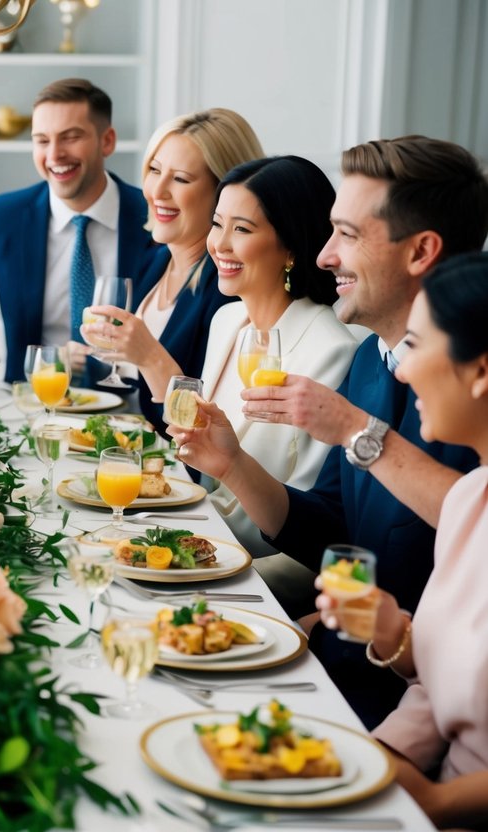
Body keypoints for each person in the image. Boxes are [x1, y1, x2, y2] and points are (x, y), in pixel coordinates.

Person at [169, 136, 488, 728]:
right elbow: (333, 535)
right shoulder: (372, 361)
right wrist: (232, 463)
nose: (323, 256)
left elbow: (472, 526)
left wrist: (355, 430)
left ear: (421, 251)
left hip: (406, 701)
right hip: (338, 660)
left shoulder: (473, 396)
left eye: (348, 234)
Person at [313, 253, 488, 829]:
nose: (402, 369)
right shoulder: (468, 500)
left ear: (480, 371)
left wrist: (437, 804)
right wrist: (391, 630)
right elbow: (444, 694)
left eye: (416, 345)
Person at [171, 156, 357, 554]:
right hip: (195, 539)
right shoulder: (226, 321)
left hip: (256, 571)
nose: (219, 244)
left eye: (241, 229)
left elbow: (313, 518)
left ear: (290, 246)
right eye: (217, 223)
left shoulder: (332, 351)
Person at [0, 77, 153, 384]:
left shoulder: (151, 216)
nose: (54, 155)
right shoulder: (3, 218)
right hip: (29, 406)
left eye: (70, 137)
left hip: (129, 409)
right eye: (42, 140)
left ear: (106, 141)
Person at [80, 108, 263, 432]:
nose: (157, 191)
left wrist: (150, 357)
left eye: (180, 179)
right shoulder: (154, 260)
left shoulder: (228, 289)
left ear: (225, 193)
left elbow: (209, 424)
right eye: (153, 170)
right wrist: (88, 357)